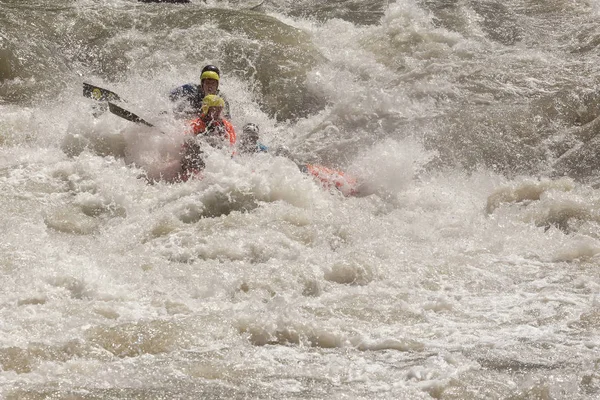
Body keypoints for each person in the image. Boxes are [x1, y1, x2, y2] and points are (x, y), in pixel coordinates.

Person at [180, 95, 236, 180]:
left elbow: (231, 147)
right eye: (214, 109)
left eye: (219, 109)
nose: (217, 112)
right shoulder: (195, 125)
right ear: (206, 109)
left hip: (215, 158)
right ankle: (190, 173)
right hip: (196, 157)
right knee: (192, 145)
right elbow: (183, 145)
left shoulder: (226, 126)